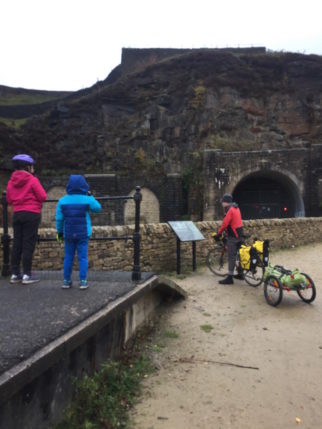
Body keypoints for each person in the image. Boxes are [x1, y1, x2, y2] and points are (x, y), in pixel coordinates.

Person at [6, 154, 47, 284]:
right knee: (28, 243)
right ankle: (27, 275)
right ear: (28, 167)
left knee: (17, 243)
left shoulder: (11, 181)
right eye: (32, 166)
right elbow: (43, 196)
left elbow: (8, 199)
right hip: (31, 214)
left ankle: (15, 274)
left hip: (17, 214)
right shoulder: (32, 180)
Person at [56, 175, 101, 290]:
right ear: (83, 186)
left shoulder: (62, 201)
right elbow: (98, 208)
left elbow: (59, 219)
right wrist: (90, 196)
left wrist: (59, 234)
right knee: (83, 257)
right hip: (83, 233)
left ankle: (66, 281)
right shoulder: (87, 199)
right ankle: (83, 281)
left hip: (68, 233)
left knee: (68, 257)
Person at [216, 193, 244, 285]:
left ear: (225, 202)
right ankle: (241, 273)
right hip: (240, 234)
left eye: (222, 202)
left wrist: (219, 233)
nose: (221, 204)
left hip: (233, 236)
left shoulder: (230, 210)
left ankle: (230, 278)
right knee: (240, 255)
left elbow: (225, 223)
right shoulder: (236, 208)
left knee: (231, 257)